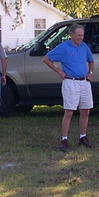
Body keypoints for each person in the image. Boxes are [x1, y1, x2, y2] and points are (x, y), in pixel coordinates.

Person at [41, 24, 94, 152]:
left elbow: (91, 60)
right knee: (69, 111)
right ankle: (64, 139)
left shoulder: (84, 46)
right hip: (71, 82)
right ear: (72, 35)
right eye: (78, 35)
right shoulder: (63, 47)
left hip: (84, 82)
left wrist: (90, 73)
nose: (81, 38)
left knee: (86, 110)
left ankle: (83, 136)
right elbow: (46, 59)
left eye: (82, 35)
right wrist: (59, 71)